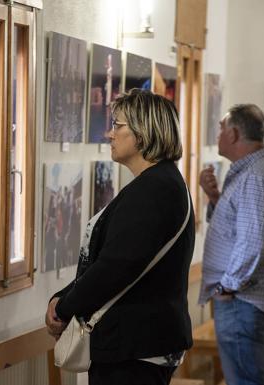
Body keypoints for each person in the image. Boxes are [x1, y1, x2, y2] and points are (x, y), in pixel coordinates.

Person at [45, 89, 195, 385]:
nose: (109, 133)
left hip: (135, 347)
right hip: (140, 342)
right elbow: (117, 260)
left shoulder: (155, 190)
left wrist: (64, 308)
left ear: (143, 132)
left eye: (118, 125)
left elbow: (114, 268)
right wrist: (64, 295)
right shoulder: (160, 184)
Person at [199, 104, 264, 385]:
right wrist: (215, 197)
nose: (217, 134)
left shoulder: (256, 177)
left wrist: (227, 287)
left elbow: (252, 243)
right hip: (246, 302)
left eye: (220, 128)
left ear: (234, 133)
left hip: (242, 302)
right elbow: (240, 229)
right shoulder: (254, 171)